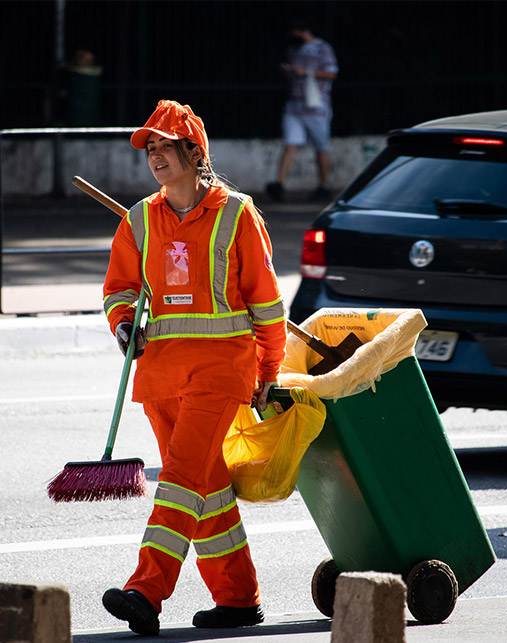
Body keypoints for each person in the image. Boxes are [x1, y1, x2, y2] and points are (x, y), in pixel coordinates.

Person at [101, 99, 287, 635]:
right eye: (150, 149)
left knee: (180, 480)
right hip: (159, 376)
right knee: (206, 487)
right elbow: (119, 290)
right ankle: (237, 598)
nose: (156, 156)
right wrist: (123, 325)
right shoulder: (139, 219)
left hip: (220, 373)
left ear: (194, 152)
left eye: (166, 146)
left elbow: (267, 304)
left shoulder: (237, 214)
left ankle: (146, 590)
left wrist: (268, 371)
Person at [266, 19, 338, 202]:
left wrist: (306, 72)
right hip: (294, 105)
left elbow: (331, 73)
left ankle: (324, 186)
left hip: (316, 107)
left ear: (304, 30)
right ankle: (279, 184)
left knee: (321, 147)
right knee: (290, 143)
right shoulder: (293, 49)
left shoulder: (322, 48)